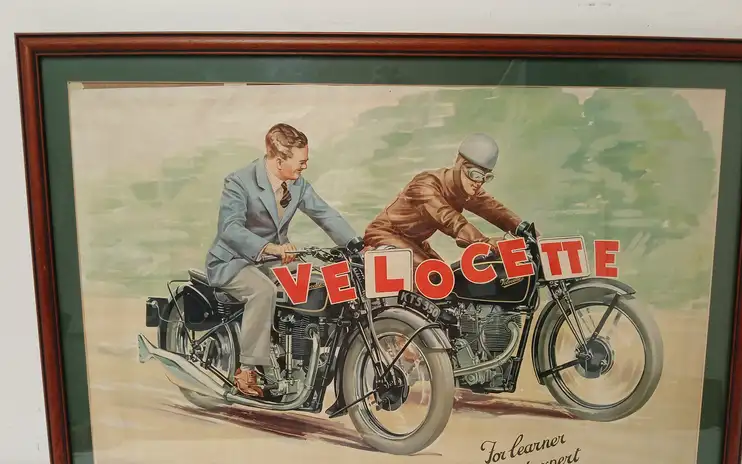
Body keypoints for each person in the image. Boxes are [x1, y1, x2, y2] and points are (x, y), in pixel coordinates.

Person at [205, 123, 358, 398]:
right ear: (279, 161)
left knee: (316, 280)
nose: (305, 166)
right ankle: (247, 369)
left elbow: (325, 215)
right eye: (301, 161)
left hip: (273, 261)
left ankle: (297, 353)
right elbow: (230, 229)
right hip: (234, 261)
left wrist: (356, 245)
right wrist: (270, 248)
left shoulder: (297, 185)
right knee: (262, 291)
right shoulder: (239, 182)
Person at [363, 133, 535, 268]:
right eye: (475, 174)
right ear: (459, 164)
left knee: (451, 284)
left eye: (485, 177)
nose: (479, 182)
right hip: (385, 235)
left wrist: (524, 229)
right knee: (432, 277)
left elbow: (492, 208)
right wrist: (483, 242)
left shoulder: (464, 187)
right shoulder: (425, 185)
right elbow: (448, 219)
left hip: (415, 242)